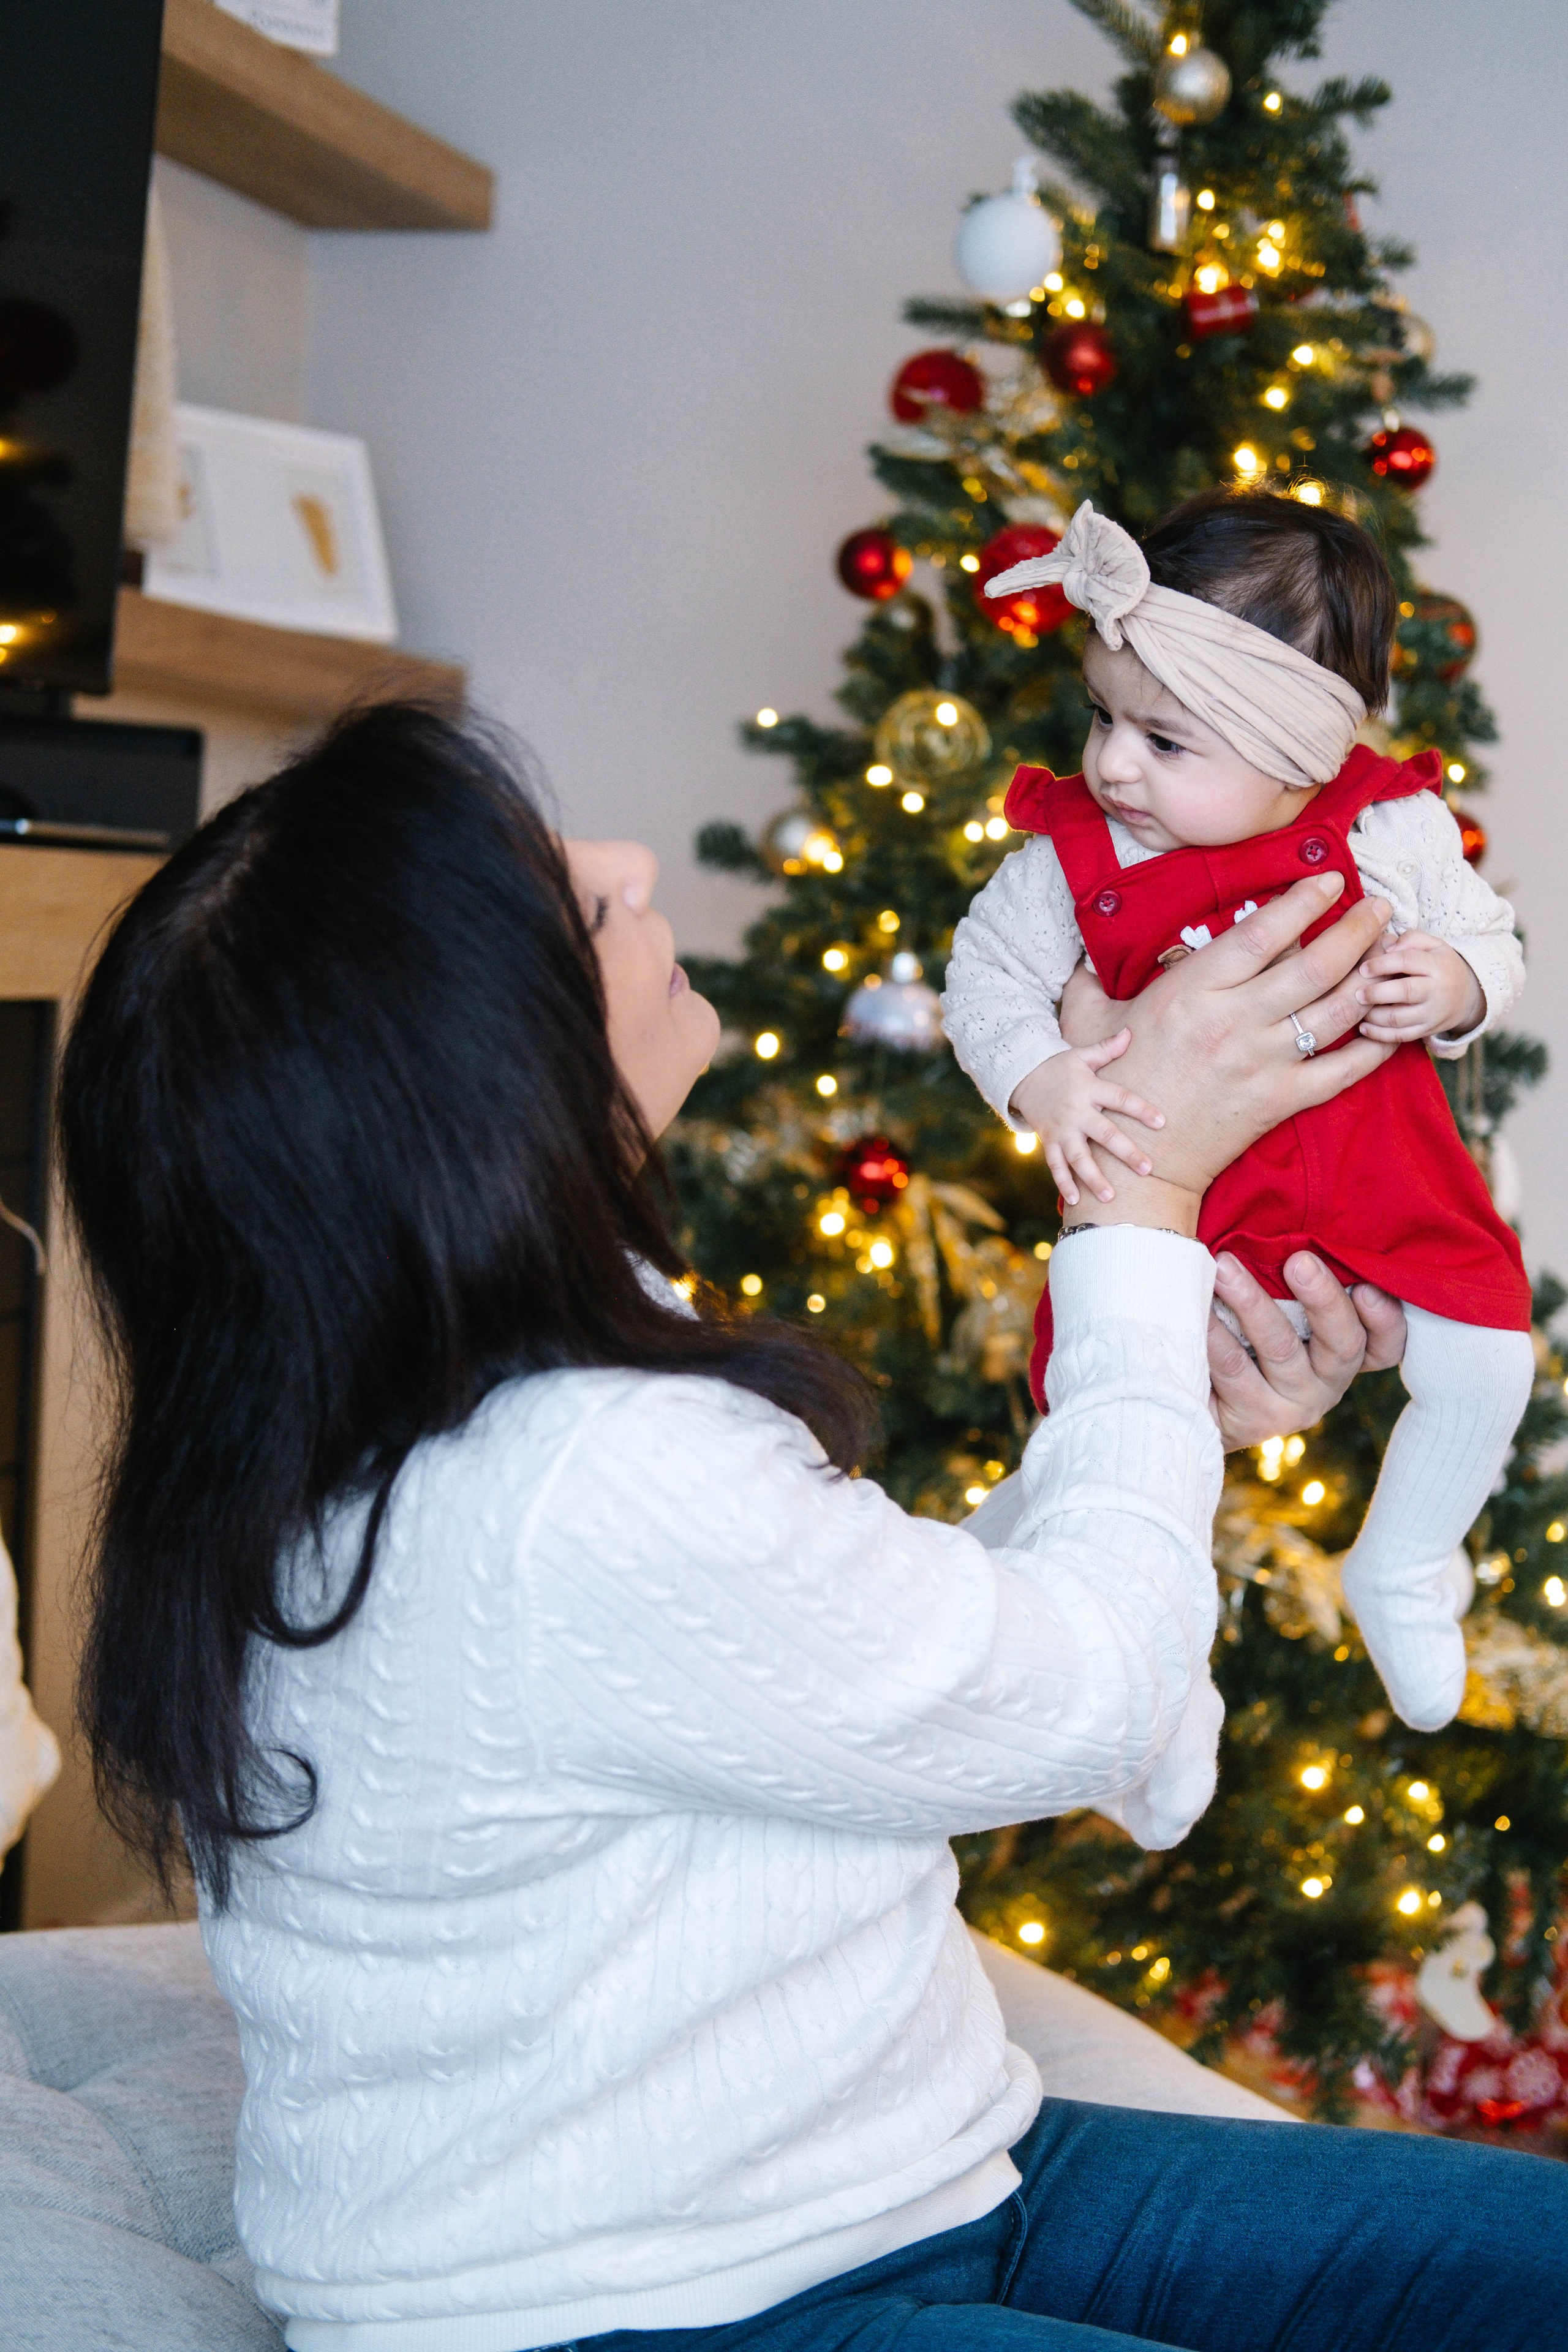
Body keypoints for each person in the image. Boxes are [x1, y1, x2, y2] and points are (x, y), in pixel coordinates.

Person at [58, 704, 1566, 2352]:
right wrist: (1144, 1205)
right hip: (641, 2309)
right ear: (476, 1078)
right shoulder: (571, 1465)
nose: (628, 864)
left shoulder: (441, 1391)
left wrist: (1173, 1409)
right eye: (562, 899)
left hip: (923, 2176)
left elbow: (885, 1651)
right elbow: (1092, 1703)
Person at [942, 492, 1532, 1736]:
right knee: (1114, 1454)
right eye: (1102, 716)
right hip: (1179, 1216)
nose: (1108, 764)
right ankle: (1146, 1703)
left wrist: (1454, 981)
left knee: (1485, 1361)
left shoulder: (1384, 826)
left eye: (1164, 740)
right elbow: (985, 982)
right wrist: (1041, 1077)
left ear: (1296, 750)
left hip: (1380, 1179)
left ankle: (1405, 1555)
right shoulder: (1068, 854)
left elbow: (1487, 937)